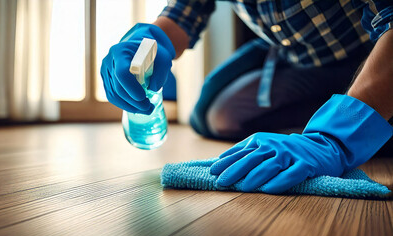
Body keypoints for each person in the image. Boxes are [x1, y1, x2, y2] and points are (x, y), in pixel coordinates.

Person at [100, 0, 393, 194]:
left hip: (373, 52)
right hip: (295, 58)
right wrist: (150, 40)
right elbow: (183, 13)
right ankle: (336, 118)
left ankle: (364, 119)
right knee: (214, 115)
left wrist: (335, 140)